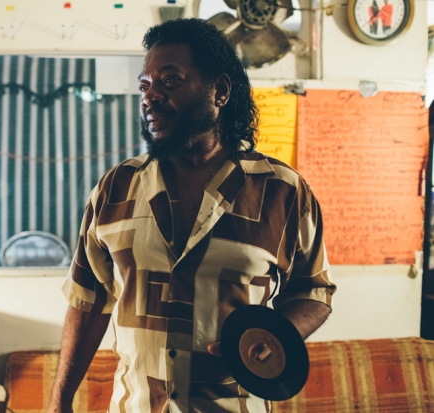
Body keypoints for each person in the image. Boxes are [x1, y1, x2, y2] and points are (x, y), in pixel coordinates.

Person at [48, 18, 336, 413]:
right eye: (144, 86)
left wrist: (279, 335)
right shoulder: (116, 188)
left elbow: (314, 291)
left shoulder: (282, 191)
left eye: (169, 81)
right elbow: (87, 299)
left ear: (219, 91)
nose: (151, 97)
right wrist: (59, 401)